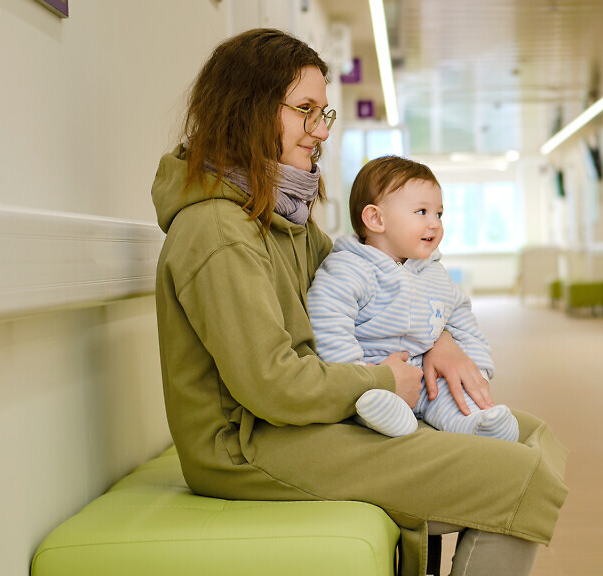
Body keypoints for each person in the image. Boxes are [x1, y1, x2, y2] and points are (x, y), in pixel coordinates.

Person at [151, 28, 568, 576]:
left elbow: (376, 279)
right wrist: (381, 383)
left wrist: (439, 338)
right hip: (247, 446)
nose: (319, 131)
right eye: (305, 110)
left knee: (533, 435)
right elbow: (269, 385)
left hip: (303, 420)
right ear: (248, 108)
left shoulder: (280, 215)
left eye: (324, 114)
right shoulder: (218, 231)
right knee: (522, 473)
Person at [307, 155, 519, 441]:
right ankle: (392, 417)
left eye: (439, 214)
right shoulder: (350, 267)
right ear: (376, 219)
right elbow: (328, 323)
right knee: (373, 403)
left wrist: (477, 372)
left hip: (425, 374)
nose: (434, 224)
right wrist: (358, 376)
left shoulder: (435, 273)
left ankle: (479, 424)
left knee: (451, 397)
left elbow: (463, 322)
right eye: (421, 212)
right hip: (374, 375)